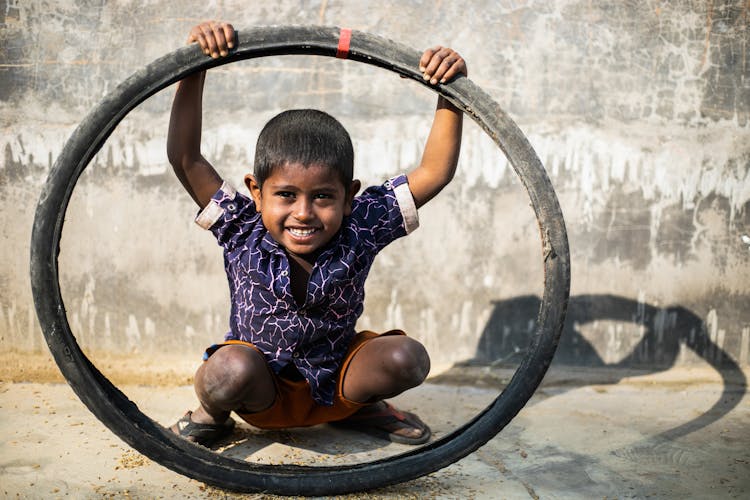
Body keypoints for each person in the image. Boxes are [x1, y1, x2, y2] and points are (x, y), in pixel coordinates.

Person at [167, 21, 466, 447]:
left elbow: (435, 172)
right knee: (228, 369)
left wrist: (450, 91)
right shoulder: (241, 225)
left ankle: (364, 408)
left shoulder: (361, 224)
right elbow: (185, 158)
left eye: (323, 196)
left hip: (340, 385)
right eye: (286, 194)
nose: (303, 213)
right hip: (260, 392)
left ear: (349, 197)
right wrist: (193, 69)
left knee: (408, 358)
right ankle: (210, 416)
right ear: (256, 191)